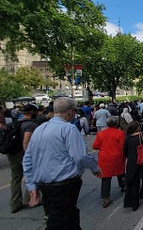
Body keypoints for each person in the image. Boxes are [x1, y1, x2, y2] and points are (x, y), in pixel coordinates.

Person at [23, 97, 101, 229]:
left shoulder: (39, 130)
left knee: (63, 218)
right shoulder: (68, 129)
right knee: (62, 221)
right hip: (64, 185)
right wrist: (95, 167)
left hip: (45, 184)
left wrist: (32, 185)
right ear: (70, 111)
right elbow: (80, 156)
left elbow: (28, 160)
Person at [7, 104, 38, 213]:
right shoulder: (30, 125)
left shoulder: (15, 123)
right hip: (23, 154)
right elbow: (26, 141)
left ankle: (15, 204)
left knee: (15, 178)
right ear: (32, 112)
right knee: (32, 175)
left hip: (12, 154)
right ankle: (30, 199)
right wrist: (28, 156)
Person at [92, 116, 126, 208]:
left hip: (105, 158)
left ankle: (105, 197)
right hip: (117, 156)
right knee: (121, 172)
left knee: (106, 177)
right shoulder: (120, 133)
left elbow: (95, 146)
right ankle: (123, 186)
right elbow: (123, 146)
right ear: (116, 123)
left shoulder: (101, 133)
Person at [123, 121, 143, 211]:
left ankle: (134, 203)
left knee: (133, 182)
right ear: (138, 128)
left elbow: (124, 151)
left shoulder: (128, 138)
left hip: (132, 161)